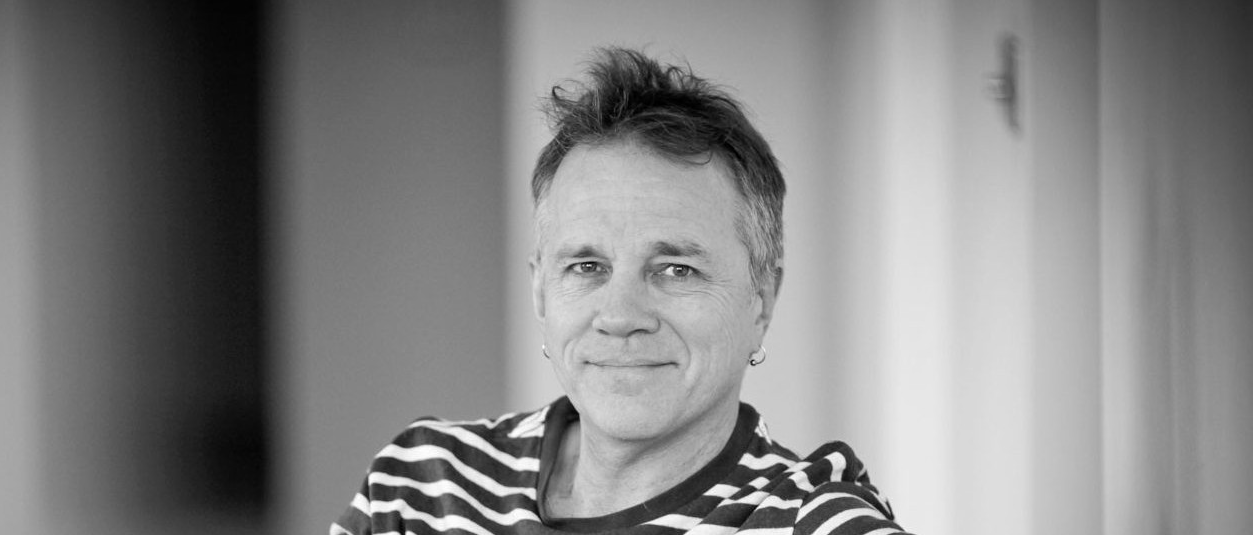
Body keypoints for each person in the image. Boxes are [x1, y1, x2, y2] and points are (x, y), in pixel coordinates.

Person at [331, 47, 909, 535]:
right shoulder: (422, 486)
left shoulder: (811, 521)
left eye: (676, 269)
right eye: (586, 266)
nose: (621, 315)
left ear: (762, 300)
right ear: (540, 291)